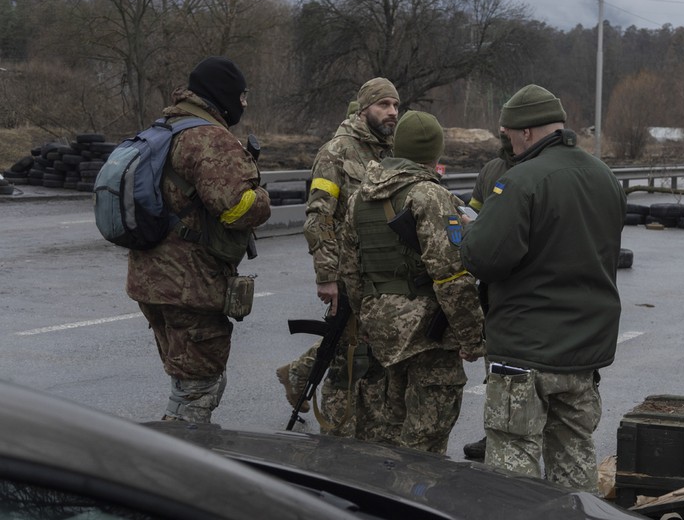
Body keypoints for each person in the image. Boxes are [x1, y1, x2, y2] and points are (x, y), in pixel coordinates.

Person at [460, 84, 626, 491]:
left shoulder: (522, 181)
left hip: (525, 351)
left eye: (510, 135)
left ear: (528, 133)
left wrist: (470, 232)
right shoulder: (605, 177)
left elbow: (484, 258)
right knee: (574, 459)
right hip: (583, 352)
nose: (509, 144)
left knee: (513, 466)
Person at [127, 56, 271, 423]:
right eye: (241, 97)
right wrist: (263, 198)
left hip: (151, 282)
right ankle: (176, 469)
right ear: (224, 95)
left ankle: (173, 453)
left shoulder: (165, 127)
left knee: (185, 381)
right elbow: (236, 207)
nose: (243, 105)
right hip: (190, 285)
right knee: (198, 389)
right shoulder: (208, 138)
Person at [342, 110, 484, 454]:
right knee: (426, 441)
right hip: (426, 336)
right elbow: (450, 275)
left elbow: (349, 271)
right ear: (434, 153)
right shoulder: (428, 196)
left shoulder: (359, 197)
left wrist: (369, 319)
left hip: (380, 332)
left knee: (387, 434)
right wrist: (472, 337)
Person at [276, 78, 397, 439]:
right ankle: (337, 437)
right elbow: (318, 216)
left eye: (395, 105)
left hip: (379, 276)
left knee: (372, 354)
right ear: (364, 110)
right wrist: (327, 275)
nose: (392, 112)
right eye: (383, 105)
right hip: (346, 275)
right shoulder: (336, 152)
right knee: (348, 358)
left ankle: (366, 429)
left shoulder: (388, 152)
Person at [461, 127, 515, 461]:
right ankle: (494, 433)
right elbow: (474, 212)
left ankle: (525, 436)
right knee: (494, 365)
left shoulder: (539, 167)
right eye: (503, 125)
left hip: (525, 286)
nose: (504, 130)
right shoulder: (491, 170)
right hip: (492, 286)